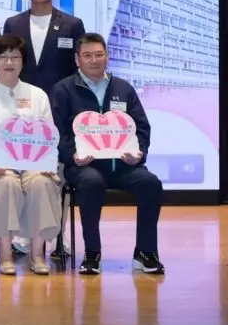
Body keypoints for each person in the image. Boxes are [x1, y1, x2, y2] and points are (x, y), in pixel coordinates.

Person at [50, 33, 163, 275]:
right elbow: (57, 132)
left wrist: (139, 153)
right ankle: (92, 253)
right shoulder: (63, 90)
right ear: (77, 59)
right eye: (87, 55)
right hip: (84, 166)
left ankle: (146, 252)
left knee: (151, 184)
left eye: (99, 55)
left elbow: (141, 127)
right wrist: (73, 155)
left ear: (107, 57)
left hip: (123, 165)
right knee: (91, 183)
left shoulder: (123, 88)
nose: (94, 60)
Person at [2, 0, 85, 258]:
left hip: (61, 111)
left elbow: (78, 69)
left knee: (56, 173)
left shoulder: (72, 25)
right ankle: (25, 236)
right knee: (24, 170)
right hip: (22, 109)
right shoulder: (13, 24)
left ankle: (58, 236)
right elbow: (8, 64)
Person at [0, 34, 62, 276]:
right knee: (6, 182)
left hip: (34, 164)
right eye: (3, 57)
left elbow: (48, 135)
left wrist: (45, 162)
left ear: (23, 62)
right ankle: (6, 253)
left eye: (15, 57)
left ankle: (37, 253)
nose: (9, 62)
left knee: (41, 183)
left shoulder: (37, 95)